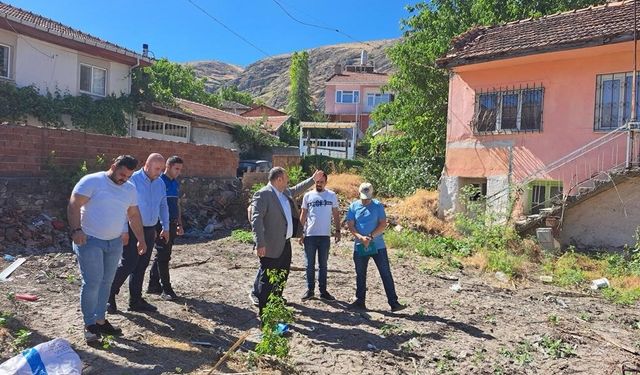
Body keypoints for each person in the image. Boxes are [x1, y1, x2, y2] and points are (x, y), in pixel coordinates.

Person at [67, 155, 147, 343]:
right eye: (122, 174)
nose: (124, 179)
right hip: (90, 240)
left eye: (128, 176)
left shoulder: (129, 189)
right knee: (93, 282)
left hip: (114, 242)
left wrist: (141, 239)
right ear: (113, 166)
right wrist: (76, 230)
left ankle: (100, 320)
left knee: (107, 282)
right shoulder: (92, 181)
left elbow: (133, 215)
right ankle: (89, 325)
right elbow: (74, 203)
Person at [250, 167, 323, 315]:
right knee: (267, 281)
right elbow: (256, 220)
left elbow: (297, 189)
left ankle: (276, 304)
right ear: (279, 179)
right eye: (286, 178)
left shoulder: (284, 193)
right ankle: (265, 314)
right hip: (270, 246)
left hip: (285, 244)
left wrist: (312, 179)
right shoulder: (263, 194)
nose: (288, 180)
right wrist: (260, 243)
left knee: (282, 275)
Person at [109, 153, 170, 313]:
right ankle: (108, 295)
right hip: (132, 228)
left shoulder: (160, 183)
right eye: (157, 168)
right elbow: (122, 207)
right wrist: (123, 230)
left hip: (150, 229)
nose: (160, 172)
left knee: (141, 265)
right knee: (128, 263)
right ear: (147, 165)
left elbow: (163, 204)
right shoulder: (132, 180)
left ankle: (135, 301)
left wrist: (166, 226)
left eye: (162, 169)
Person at [345, 182, 406, 312]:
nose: (365, 199)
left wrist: (370, 237)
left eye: (367, 197)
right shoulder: (353, 206)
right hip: (360, 245)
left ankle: (393, 302)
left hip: (377, 245)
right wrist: (360, 237)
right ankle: (360, 301)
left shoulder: (378, 206)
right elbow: (351, 225)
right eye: (363, 197)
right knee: (360, 274)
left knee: (385, 273)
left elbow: (383, 224)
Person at [299, 172, 340, 301]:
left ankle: (323, 291)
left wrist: (338, 231)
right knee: (309, 264)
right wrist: (300, 232)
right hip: (310, 235)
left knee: (323, 265)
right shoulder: (308, 196)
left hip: (325, 236)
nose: (319, 184)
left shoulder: (331, 196)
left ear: (326, 183)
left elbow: (336, 214)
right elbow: (303, 214)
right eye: (317, 181)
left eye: (322, 182)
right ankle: (310, 290)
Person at [147, 156, 184, 300]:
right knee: (163, 256)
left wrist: (179, 223)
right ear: (168, 166)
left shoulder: (175, 183)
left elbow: (177, 205)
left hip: (172, 223)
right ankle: (166, 289)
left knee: (163, 254)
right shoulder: (159, 182)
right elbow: (157, 205)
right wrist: (161, 225)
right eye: (176, 169)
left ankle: (153, 284)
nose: (178, 172)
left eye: (180, 169)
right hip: (162, 224)